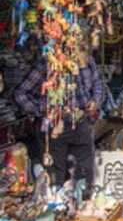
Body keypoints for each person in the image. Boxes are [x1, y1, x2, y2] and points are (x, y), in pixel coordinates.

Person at [15, 53, 104, 195]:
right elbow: (20, 93)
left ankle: (83, 209)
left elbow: (98, 85)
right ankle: (56, 213)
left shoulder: (86, 59)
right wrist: (40, 110)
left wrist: (95, 100)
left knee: (84, 176)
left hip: (80, 123)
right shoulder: (47, 62)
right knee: (55, 178)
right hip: (53, 127)